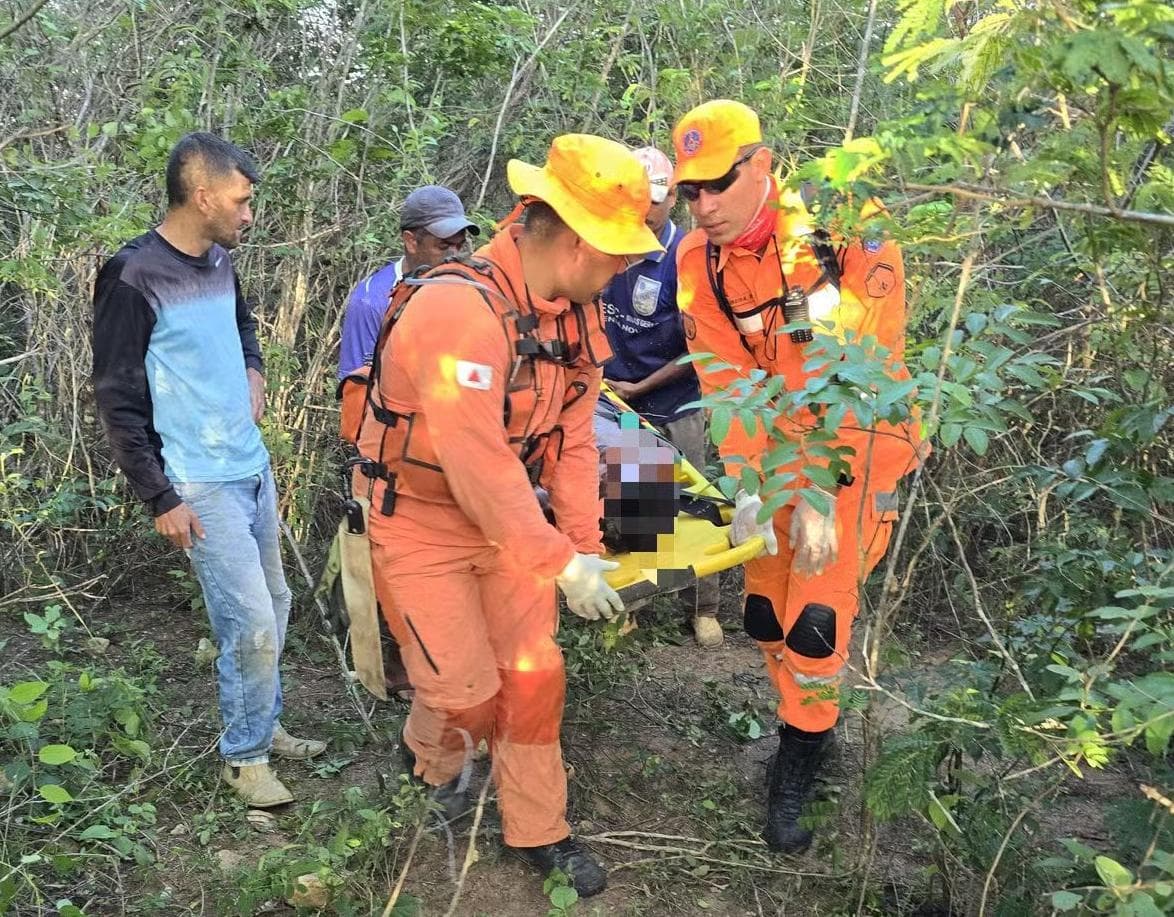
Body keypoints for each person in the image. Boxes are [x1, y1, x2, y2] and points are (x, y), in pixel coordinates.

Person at [354, 134, 659, 897]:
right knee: (463, 690)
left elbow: (576, 442)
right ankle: (428, 760)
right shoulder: (458, 310)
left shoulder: (576, 316)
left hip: (514, 520)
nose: (625, 266)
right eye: (617, 251)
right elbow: (475, 460)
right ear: (578, 240)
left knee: (533, 675)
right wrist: (558, 560)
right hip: (424, 519)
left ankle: (539, 829)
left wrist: (586, 549)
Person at [671, 101, 927, 853]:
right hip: (776, 455)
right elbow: (724, 380)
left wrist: (817, 492)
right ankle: (809, 721)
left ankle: (801, 761)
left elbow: (862, 373)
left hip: (856, 449)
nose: (705, 204)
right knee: (765, 615)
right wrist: (750, 483)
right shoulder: (698, 261)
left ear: (761, 163)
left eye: (718, 183)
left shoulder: (846, 229)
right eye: (691, 191)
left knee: (816, 621)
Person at [92, 132, 325, 809]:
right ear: (202, 196)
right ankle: (243, 758)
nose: (248, 214)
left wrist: (254, 369)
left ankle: (264, 720)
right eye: (241, 201)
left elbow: (243, 323)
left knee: (275, 604)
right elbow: (115, 395)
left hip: (250, 465)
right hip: (197, 480)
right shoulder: (134, 275)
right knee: (249, 618)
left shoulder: (220, 260)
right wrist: (159, 495)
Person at [600, 146, 722, 647]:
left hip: (676, 400)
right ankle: (633, 605)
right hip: (617, 399)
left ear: (673, 196)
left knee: (694, 504)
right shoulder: (608, 244)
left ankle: (703, 608)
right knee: (637, 506)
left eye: (656, 198)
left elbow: (703, 345)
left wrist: (642, 386)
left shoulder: (687, 255)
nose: (647, 208)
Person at [337, 185, 479, 378]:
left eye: (459, 245)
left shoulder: (471, 289)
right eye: (443, 246)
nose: (453, 255)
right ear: (411, 241)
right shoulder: (372, 299)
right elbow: (357, 387)